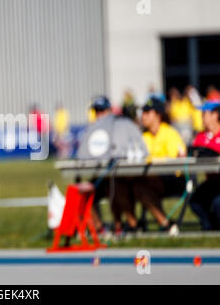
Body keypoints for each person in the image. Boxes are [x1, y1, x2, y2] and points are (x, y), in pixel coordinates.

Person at [76, 95, 148, 235]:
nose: (99, 115)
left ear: (110, 110)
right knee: (84, 189)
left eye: (102, 111)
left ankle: (126, 225)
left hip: (123, 177)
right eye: (97, 111)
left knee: (117, 185)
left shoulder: (121, 126)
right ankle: (99, 228)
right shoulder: (92, 130)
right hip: (103, 178)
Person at [133, 96, 186, 233]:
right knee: (126, 185)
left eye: (147, 112)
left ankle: (164, 224)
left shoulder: (170, 134)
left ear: (158, 115)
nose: (143, 116)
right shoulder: (144, 137)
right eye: (142, 112)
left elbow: (174, 163)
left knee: (139, 186)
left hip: (173, 179)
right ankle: (131, 226)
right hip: (150, 178)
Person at [189, 100, 220, 230]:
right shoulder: (201, 136)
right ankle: (210, 227)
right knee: (195, 202)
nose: (201, 117)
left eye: (204, 114)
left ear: (215, 115)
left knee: (218, 203)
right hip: (211, 181)